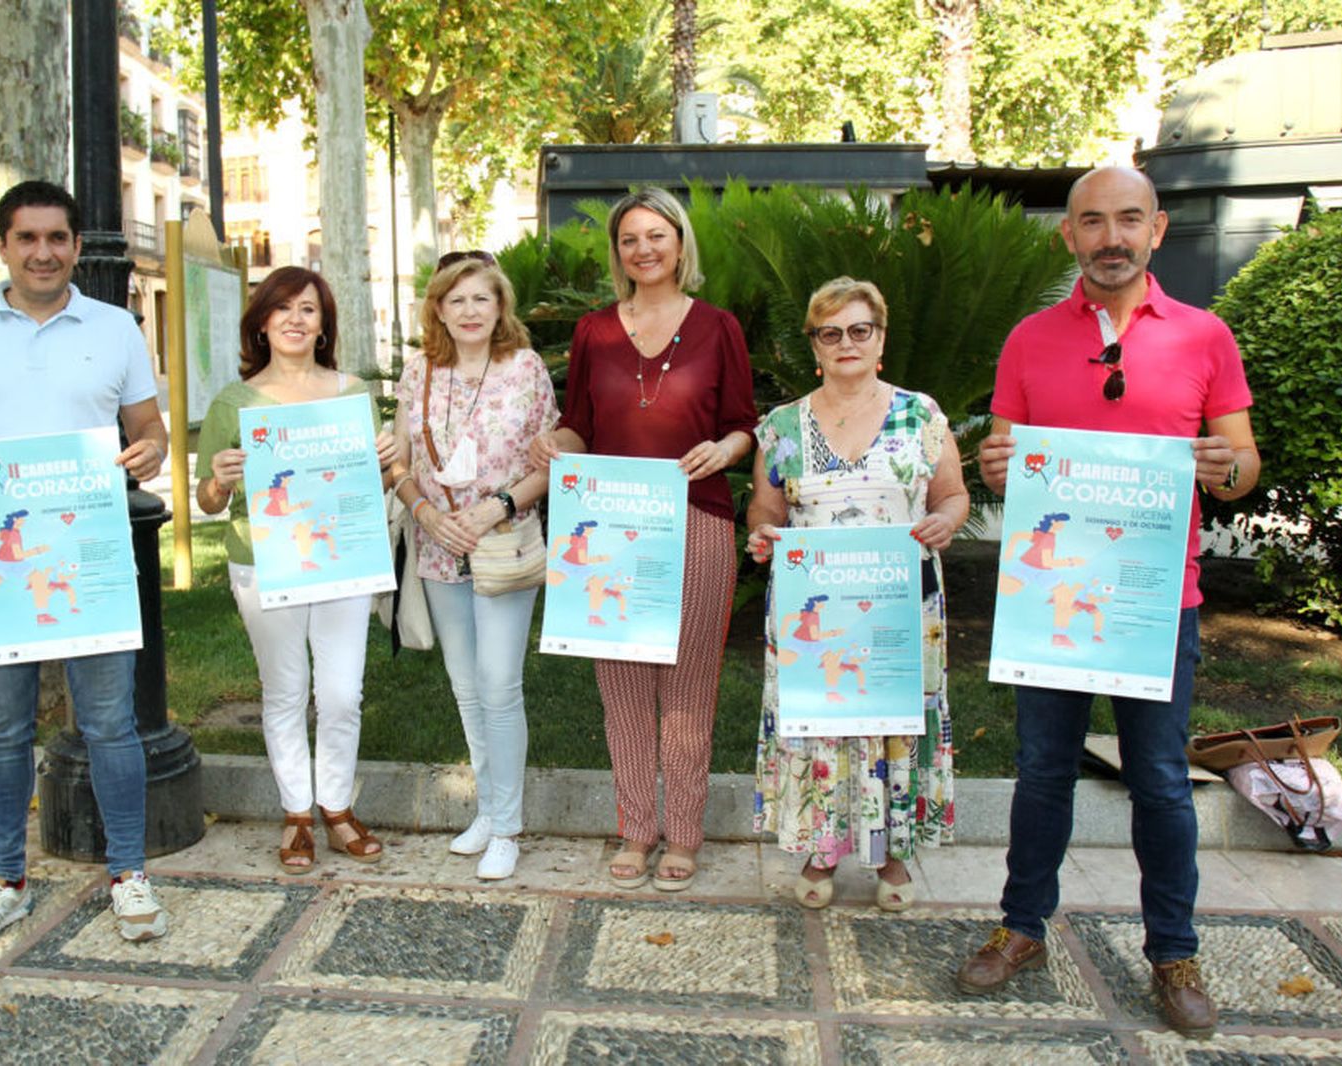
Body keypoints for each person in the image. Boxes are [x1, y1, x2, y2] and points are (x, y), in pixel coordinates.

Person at [956, 166, 1259, 1037]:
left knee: (1161, 783)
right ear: (1070, 237)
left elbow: (1242, 465)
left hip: (1157, 604)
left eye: (1129, 220)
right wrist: (995, 466)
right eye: (1093, 222)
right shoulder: (1029, 339)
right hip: (1050, 600)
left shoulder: (1205, 336)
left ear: (1157, 230)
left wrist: (1223, 468)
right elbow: (1005, 451)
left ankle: (1173, 952)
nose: (1112, 237)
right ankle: (1021, 929)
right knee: (1042, 773)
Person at [0, 180, 170, 947]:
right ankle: (3, 880)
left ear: (78, 248)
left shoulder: (115, 326)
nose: (44, 252)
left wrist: (150, 449)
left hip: (86, 561)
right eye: (28, 238)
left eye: (58, 238)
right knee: (2, 732)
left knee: (111, 726)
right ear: (4, 247)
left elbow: (147, 423)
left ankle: (128, 874)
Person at [530, 187, 758, 891]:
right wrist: (552, 446)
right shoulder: (594, 331)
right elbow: (580, 426)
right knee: (623, 685)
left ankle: (684, 833)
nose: (644, 249)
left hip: (698, 518)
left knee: (687, 688)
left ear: (680, 244)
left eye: (657, 235)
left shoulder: (718, 326)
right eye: (630, 238)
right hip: (608, 528)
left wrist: (725, 451)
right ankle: (636, 828)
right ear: (618, 252)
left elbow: (744, 425)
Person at [745, 277, 967, 912]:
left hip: (899, 606)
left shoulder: (920, 415)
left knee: (893, 720)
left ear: (880, 339)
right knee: (820, 719)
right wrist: (764, 536)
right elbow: (767, 511)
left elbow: (952, 495)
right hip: (815, 608)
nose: (847, 343)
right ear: (815, 344)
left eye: (859, 330)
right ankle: (822, 848)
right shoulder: (782, 427)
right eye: (831, 332)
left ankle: (894, 854)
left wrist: (946, 522)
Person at [195, 266, 397, 873]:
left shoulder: (352, 393)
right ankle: (296, 815)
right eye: (282, 308)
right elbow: (206, 502)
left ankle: (336, 807)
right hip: (264, 563)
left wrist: (387, 462)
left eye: (308, 309)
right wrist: (218, 480)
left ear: (323, 324)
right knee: (284, 692)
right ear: (261, 321)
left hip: (342, 558)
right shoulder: (234, 402)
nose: (294, 319)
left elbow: (372, 484)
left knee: (340, 694)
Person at [388, 254, 558, 881]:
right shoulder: (418, 373)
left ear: (500, 307)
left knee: (499, 684)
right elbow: (399, 463)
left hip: (503, 541)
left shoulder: (525, 370)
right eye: (455, 300)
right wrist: (424, 512)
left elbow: (549, 459)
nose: (468, 311)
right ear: (437, 307)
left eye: (481, 300)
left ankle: (509, 826)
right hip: (437, 546)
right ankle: (488, 810)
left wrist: (497, 507)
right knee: (465, 689)